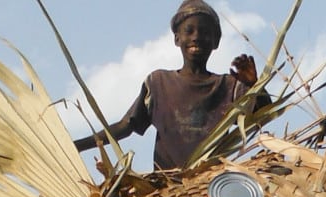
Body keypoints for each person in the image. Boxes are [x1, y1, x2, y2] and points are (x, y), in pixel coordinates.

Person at [74, 0, 268, 170]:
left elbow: (265, 115)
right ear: (177, 38)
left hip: (211, 185)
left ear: (216, 41)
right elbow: (125, 126)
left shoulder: (229, 86)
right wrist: (76, 146)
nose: (196, 37)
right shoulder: (159, 83)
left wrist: (254, 86)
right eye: (189, 31)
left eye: (205, 32)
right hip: (167, 192)